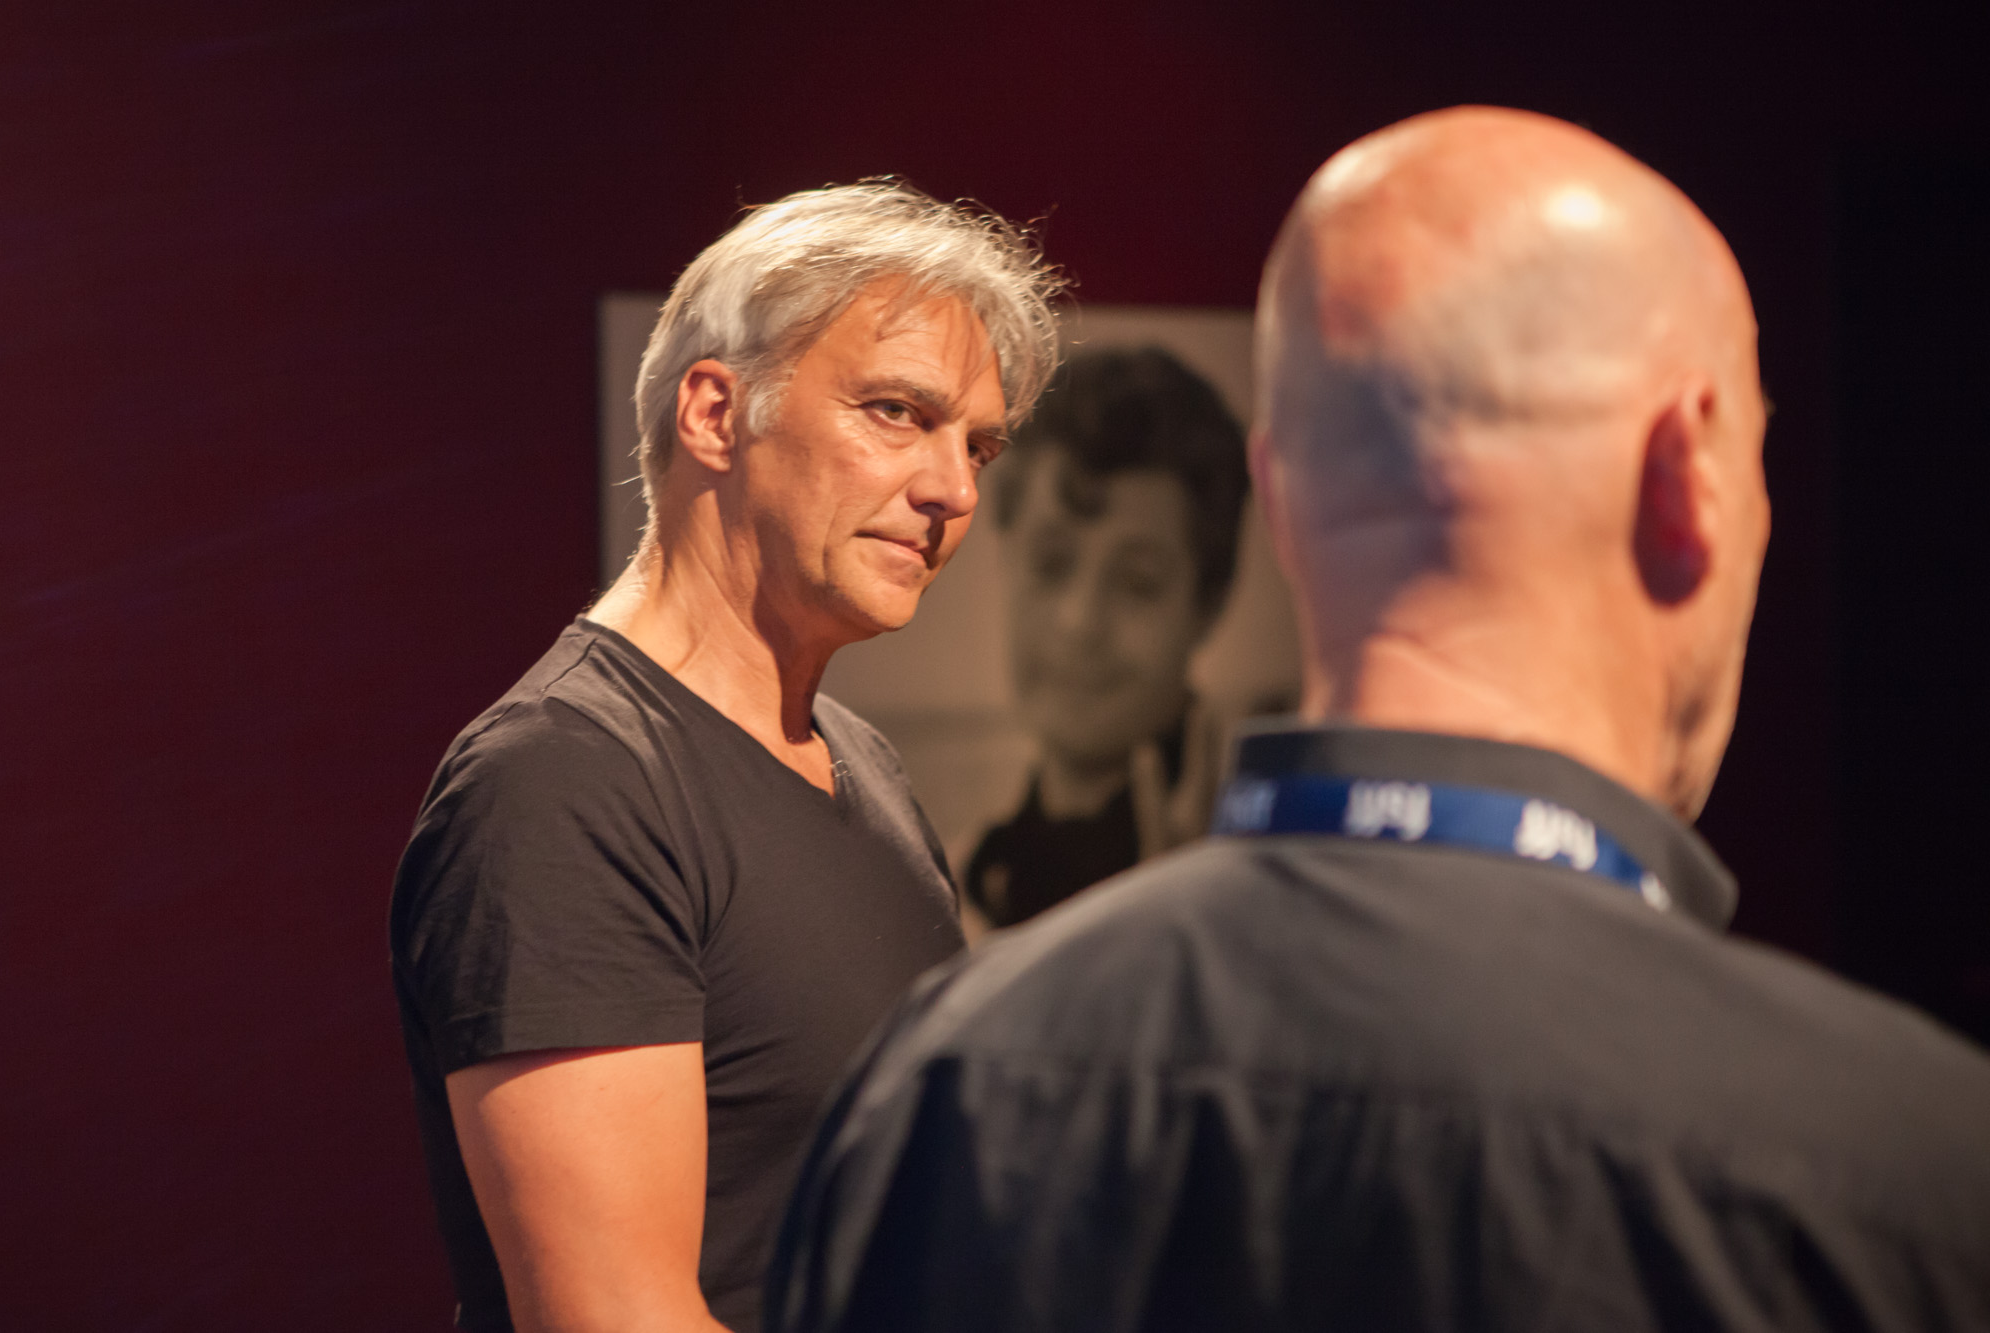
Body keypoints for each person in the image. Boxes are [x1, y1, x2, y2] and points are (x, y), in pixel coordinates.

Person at [766, 110, 1990, 1332]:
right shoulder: (1913, 1174)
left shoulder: (940, 1094)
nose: (1081, 625)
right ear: (1691, 479)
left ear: (1277, 500)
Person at [389, 181, 1062, 1333]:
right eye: (895, 412)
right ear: (713, 413)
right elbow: (614, 1316)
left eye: (977, 444)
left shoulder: (862, 761)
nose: (952, 489)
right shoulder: (564, 782)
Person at [963, 346, 1249, 931]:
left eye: (1138, 583)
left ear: (1208, 603)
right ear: (1004, 556)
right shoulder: (957, 881)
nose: (1079, 622)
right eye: (1051, 564)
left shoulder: (1258, 883)